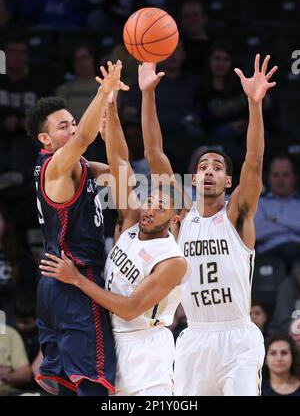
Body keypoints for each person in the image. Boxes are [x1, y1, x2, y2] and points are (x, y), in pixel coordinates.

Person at [39, 75, 189, 396]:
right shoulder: (131, 223)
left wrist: (78, 280)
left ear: (175, 219)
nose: (149, 208)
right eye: (149, 200)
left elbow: (131, 307)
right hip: (112, 335)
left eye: (160, 206)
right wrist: (111, 111)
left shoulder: (173, 260)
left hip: (147, 347)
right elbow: (121, 166)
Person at [138, 54, 277, 395]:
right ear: (194, 178)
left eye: (217, 166)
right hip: (195, 337)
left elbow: (255, 161)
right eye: (203, 166)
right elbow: (155, 152)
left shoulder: (237, 214)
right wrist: (147, 94)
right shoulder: (182, 218)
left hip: (237, 338)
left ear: (228, 181)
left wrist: (254, 105)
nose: (209, 170)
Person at [25, 60, 129, 396]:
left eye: (72, 123)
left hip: (56, 283)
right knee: (93, 385)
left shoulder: (78, 165)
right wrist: (103, 89)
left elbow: (120, 170)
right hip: (75, 280)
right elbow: (85, 137)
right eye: (62, 127)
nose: (71, 130)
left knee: (69, 385)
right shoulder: (55, 168)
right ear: (45, 138)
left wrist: (109, 113)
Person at [255, 154, 300, 272]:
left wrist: (275, 219)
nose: (280, 180)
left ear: (295, 177)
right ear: (268, 178)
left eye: (285, 175)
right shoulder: (259, 203)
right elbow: (258, 233)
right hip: (270, 255)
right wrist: (294, 226)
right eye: (275, 175)